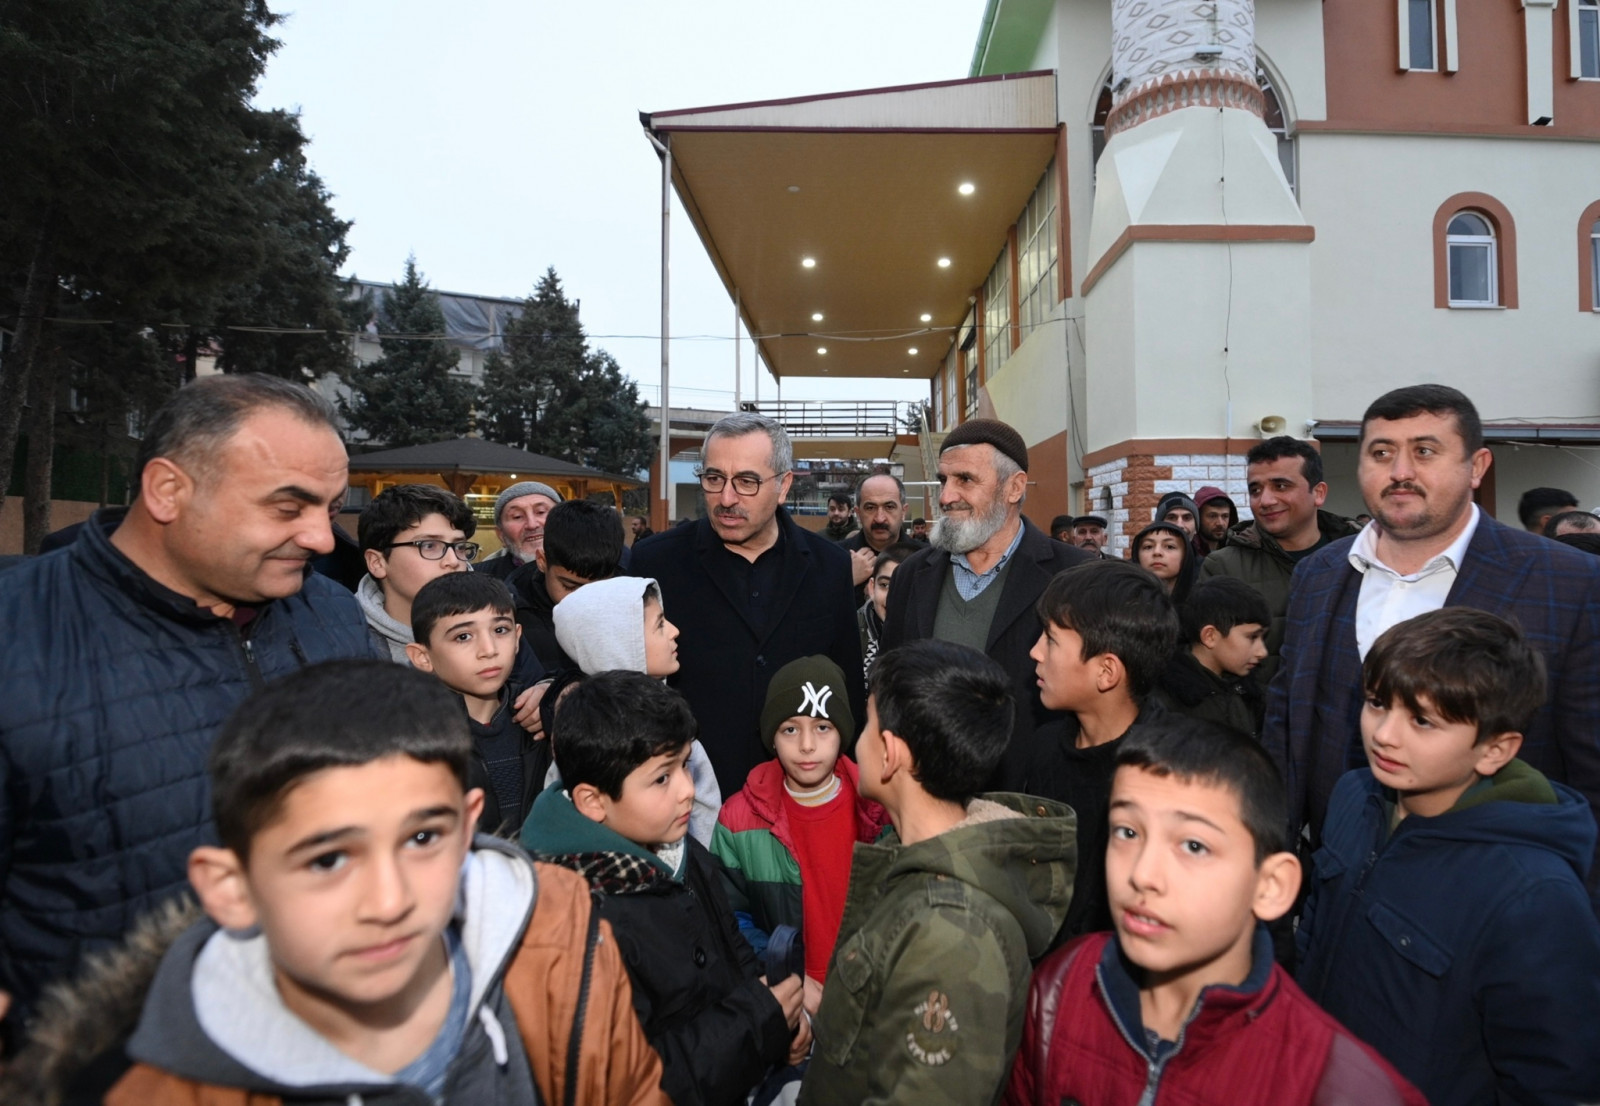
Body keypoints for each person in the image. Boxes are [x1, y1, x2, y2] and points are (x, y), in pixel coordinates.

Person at [86, 660, 667, 1105]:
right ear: (231, 888)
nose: (390, 902)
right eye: (327, 861)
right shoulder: (168, 1091)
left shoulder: (555, 929)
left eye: (423, 838)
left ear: (468, 829)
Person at [0, 373, 376, 1034]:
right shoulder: (18, 636)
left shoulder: (334, 615)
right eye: (288, 508)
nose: (322, 538)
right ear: (168, 491)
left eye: (331, 507)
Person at [1005, 719, 1425, 1106]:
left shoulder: (1345, 1088)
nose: (1143, 874)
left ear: (1270, 886)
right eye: (1127, 832)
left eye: (1193, 845)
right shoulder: (1064, 984)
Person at [1266, 384, 1600, 862]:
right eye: (1381, 453)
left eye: (1424, 451)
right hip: (1335, 875)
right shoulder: (1317, 574)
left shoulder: (1571, 583)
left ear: (1477, 467)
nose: (1400, 472)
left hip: (1492, 883)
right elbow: (1288, 722)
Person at [1297, 609, 1600, 1104]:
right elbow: (1315, 926)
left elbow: (1553, 1081)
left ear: (1495, 750)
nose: (1385, 734)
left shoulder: (1534, 896)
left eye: (1422, 720)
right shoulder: (1355, 795)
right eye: (1377, 703)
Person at [798, 640, 1075, 1105]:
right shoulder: (910, 861)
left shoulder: (951, 935)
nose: (857, 741)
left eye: (867, 724)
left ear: (890, 752)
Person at [521, 672, 806, 1106]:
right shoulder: (577, 922)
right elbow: (633, 1083)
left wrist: (778, 1017)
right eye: (661, 778)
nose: (688, 791)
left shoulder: (678, 848)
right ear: (593, 802)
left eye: (685, 765)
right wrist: (756, 1024)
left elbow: (732, 951)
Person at [629, 412, 863, 797]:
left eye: (746, 482)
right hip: (688, 794)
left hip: (800, 797)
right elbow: (620, 675)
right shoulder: (655, 562)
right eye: (714, 478)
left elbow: (848, 686)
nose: (726, 498)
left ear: (784, 485)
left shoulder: (830, 566)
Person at [880, 418, 1091, 790]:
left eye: (965, 479)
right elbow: (888, 686)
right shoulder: (911, 575)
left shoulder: (1075, 575)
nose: (946, 496)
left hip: (1036, 799)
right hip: (926, 792)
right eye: (943, 480)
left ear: (1014, 487)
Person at [711, 656, 890, 1019]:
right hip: (790, 1001)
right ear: (771, 738)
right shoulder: (737, 820)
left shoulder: (879, 809)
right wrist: (787, 974)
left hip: (874, 999)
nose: (807, 745)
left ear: (843, 733)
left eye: (822, 727)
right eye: (790, 729)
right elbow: (729, 920)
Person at [1019, 561, 1177, 942]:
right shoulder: (1045, 747)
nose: (1034, 652)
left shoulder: (1168, 777)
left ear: (1107, 672)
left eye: (1051, 639)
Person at [550, 575, 723, 846]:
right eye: (660, 624)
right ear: (619, 643)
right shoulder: (583, 743)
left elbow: (706, 828)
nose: (674, 631)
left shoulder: (673, 726)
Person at [1200, 436, 1360, 680]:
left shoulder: (1361, 559)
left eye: (1281, 486)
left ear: (1318, 493)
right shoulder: (1222, 567)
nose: (1265, 501)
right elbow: (1206, 667)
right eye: (1255, 490)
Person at [407, 572, 548, 839]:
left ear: (518, 638)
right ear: (423, 657)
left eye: (500, 630)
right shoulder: (413, 741)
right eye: (463, 636)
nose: (489, 649)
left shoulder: (540, 715)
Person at [356, 484, 478, 663]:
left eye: (459, 547)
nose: (453, 561)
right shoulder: (343, 645)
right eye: (429, 546)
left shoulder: (496, 626)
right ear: (377, 563)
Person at [507, 498, 623, 673]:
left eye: (599, 589)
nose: (585, 601)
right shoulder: (510, 613)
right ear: (542, 561)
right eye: (570, 587)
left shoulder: (636, 602)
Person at [1153, 576, 1269, 739]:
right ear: (1210, 636)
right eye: (1252, 637)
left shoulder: (1251, 693)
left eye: (1263, 638)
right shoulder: (1166, 702)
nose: (1262, 652)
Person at [476, 480, 562, 581]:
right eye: (517, 516)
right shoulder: (479, 579)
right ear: (501, 535)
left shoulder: (579, 573)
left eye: (541, 512)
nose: (532, 525)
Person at [842, 472, 908, 598]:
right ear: (858, 513)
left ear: (903, 512)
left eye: (889, 507)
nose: (879, 518)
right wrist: (847, 580)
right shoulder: (834, 558)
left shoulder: (926, 560)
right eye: (870, 508)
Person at [858, 541, 917, 682]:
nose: (893, 596)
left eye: (905, 586)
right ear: (872, 588)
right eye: (885, 585)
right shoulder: (850, 632)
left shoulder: (933, 638)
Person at [1131, 520, 1197, 605]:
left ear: (1185, 554)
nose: (1157, 552)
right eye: (1148, 546)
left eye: (1169, 546)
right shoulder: (1124, 601)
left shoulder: (1199, 602)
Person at [1193, 484, 1238, 554]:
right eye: (1212, 516)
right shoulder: (1186, 553)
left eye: (1225, 516)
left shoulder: (1236, 550)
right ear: (1198, 517)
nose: (1220, 523)